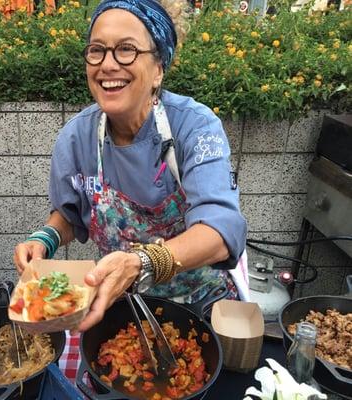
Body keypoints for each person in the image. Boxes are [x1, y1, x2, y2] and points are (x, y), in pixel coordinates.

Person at [14, 0, 248, 333]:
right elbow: (69, 213)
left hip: (201, 308)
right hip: (120, 308)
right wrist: (45, 239)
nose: (107, 65)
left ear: (158, 69)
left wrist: (141, 262)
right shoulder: (77, 136)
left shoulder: (194, 127)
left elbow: (220, 232)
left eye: (126, 50)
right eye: (97, 50)